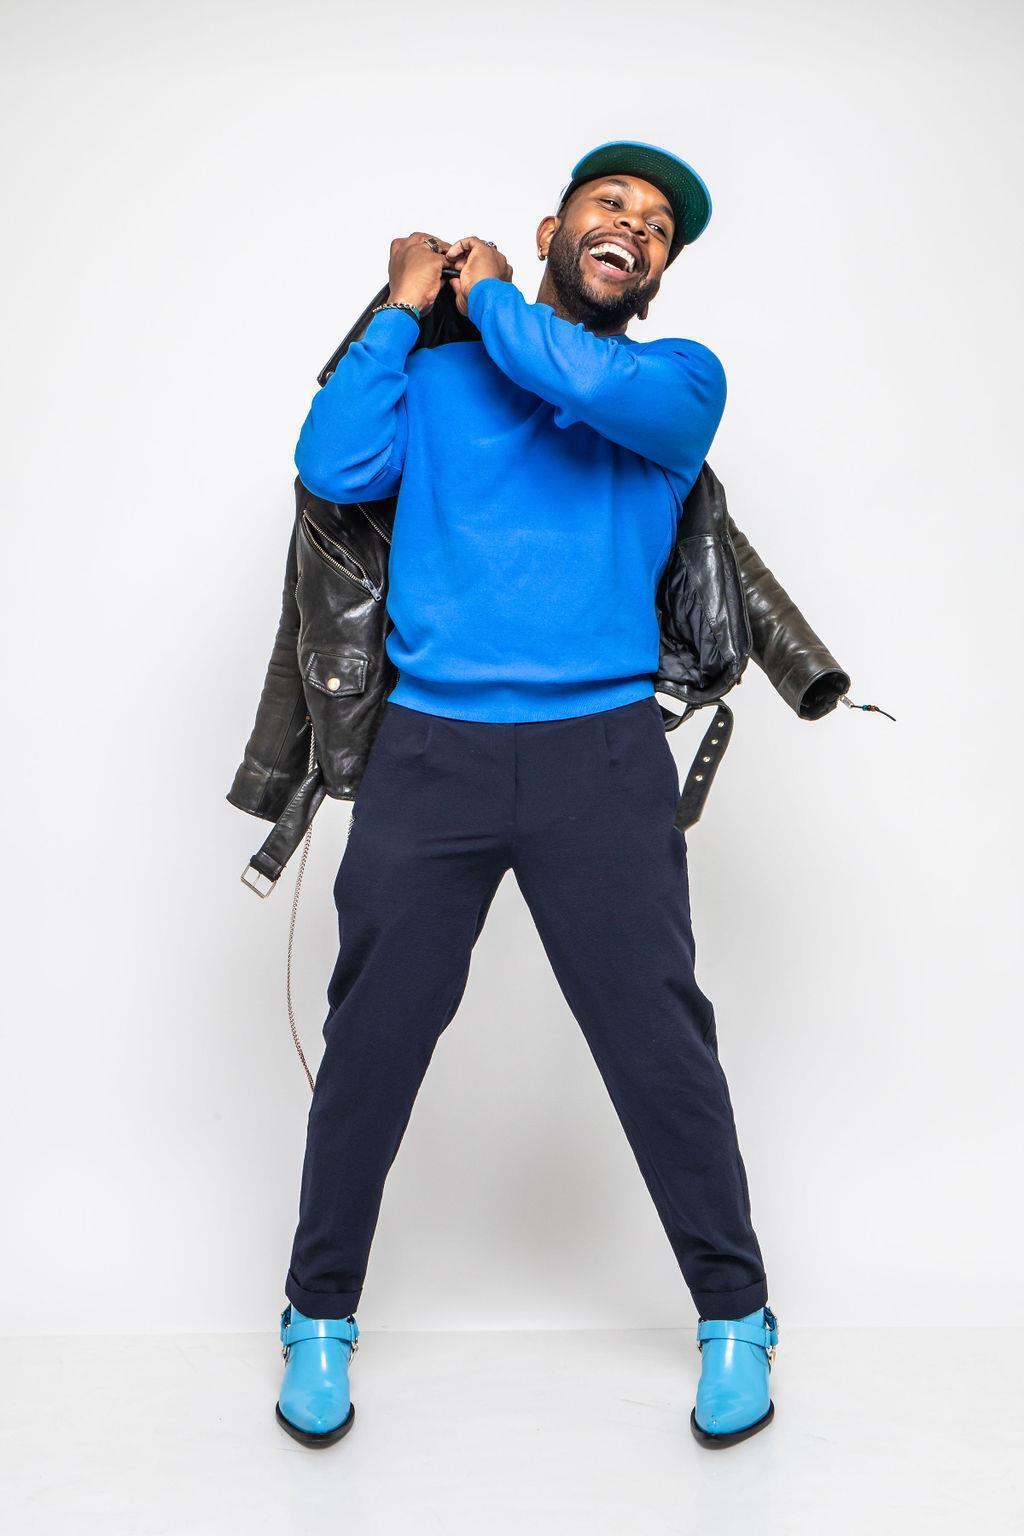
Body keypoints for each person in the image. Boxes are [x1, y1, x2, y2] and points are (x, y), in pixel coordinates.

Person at [274, 140, 779, 1451]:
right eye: (613, 204)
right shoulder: (440, 376)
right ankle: (317, 1315)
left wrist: (488, 291)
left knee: (657, 1043)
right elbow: (332, 463)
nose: (636, 227)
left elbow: (571, 374)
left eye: (658, 226)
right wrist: (404, 304)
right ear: (556, 227)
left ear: (657, 273)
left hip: (598, 762)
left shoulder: (675, 385)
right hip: (429, 755)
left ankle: (736, 1315)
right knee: (374, 1042)